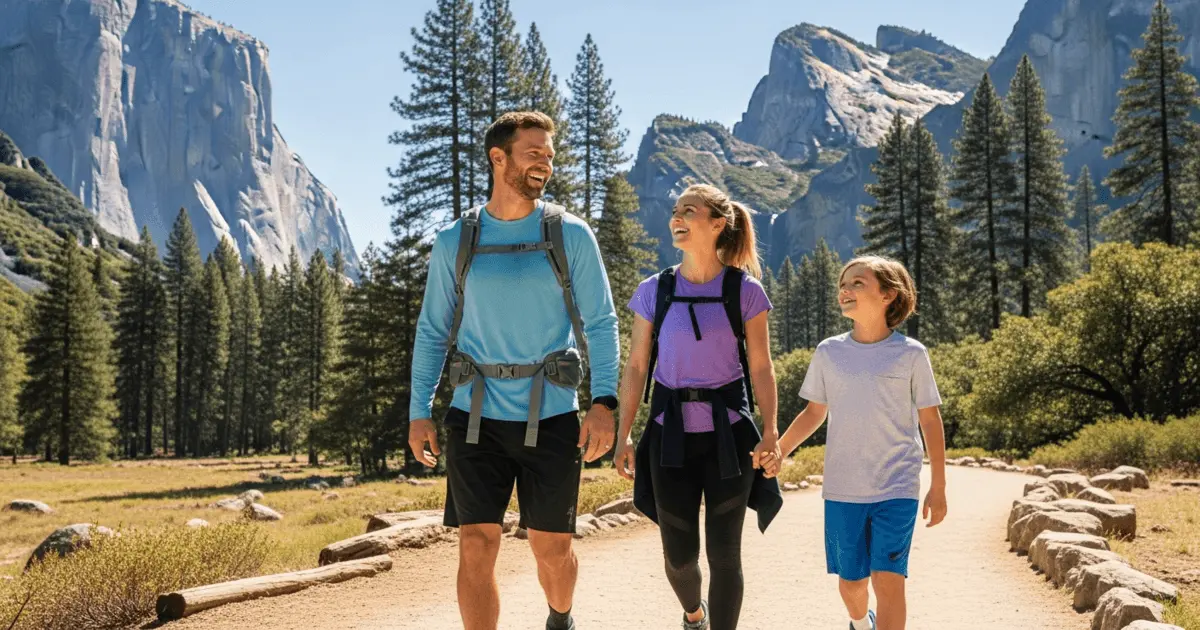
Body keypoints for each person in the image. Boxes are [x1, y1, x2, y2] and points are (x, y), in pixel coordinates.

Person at [407, 111, 621, 630]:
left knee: (552, 550)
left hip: (551, 416)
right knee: (476, 544)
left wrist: (604, 403)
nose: (545, 164)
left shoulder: (570, 234)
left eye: (549, 155)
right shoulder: (455, 241)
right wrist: (419, 411)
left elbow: (601, 323)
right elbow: (433, 330)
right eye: (534, 153)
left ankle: (560, 617)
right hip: (472, 416)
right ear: (497, 158)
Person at [612, 183, 783, 630]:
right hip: (670, 438)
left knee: (725, 555)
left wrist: (770, 433)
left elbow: (762, 368)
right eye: (675, 210)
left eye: (689, 210)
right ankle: (694, 613)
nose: (677, 217)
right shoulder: (655, 289)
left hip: (731, 440)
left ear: (717, 223)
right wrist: (624, 433)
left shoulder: (745, 291)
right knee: (679, 558)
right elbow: (635, 366)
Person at [764, 255, 948, 630]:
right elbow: (814, 413)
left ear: (888, 295)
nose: (845, 290)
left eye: (857, 283)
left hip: (898, 486)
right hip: (843, 489)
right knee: (852, 584)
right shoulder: (829, 352)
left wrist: (939, 486)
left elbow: (930, 420)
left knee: (888, 579)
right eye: (842, 285)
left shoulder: (911, 354)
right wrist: (780, 449)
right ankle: (860, 623)